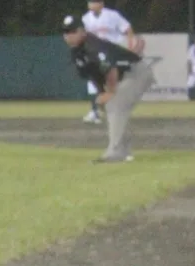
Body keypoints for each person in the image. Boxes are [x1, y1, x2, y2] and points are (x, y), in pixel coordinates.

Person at [62, 14, 155, 164]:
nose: (67, 36)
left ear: (81, 31)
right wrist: (102, 93)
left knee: (115, 103)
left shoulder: (92, 45)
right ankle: (123, 151)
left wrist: (110, 93)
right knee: (110, 105)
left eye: (71, 32)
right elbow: (94, 75)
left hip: (136, 72)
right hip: (123, 76)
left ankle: (116, 152)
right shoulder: (76, 52)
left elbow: (110, 69)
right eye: (65, 32)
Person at [80, 1, 141, 124]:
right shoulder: (85, 19)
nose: (91, 4)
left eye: (95, 2)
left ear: (102, 3)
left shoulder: (112, 15)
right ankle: (96, 111)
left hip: (111, 52)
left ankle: (102, 111)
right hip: (96, 54)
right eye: (90, 2)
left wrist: (130, 46)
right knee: (93, 82)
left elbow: (127, 28)